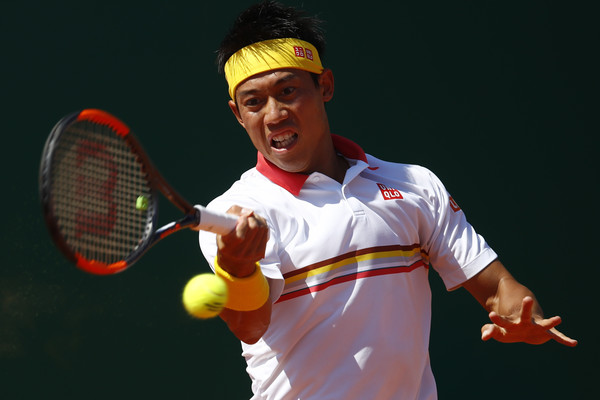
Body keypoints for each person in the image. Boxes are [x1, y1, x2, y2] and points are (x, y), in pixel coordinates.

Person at [198, 1, 578, 399]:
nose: (274, 114)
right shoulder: (234, 213)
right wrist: (238, 268)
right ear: (238, 114)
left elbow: (497, 286)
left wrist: (524, 317)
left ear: (324, 86)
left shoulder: (414, 184)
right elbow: (250, 326)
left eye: (288, 91)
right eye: (253, 102)